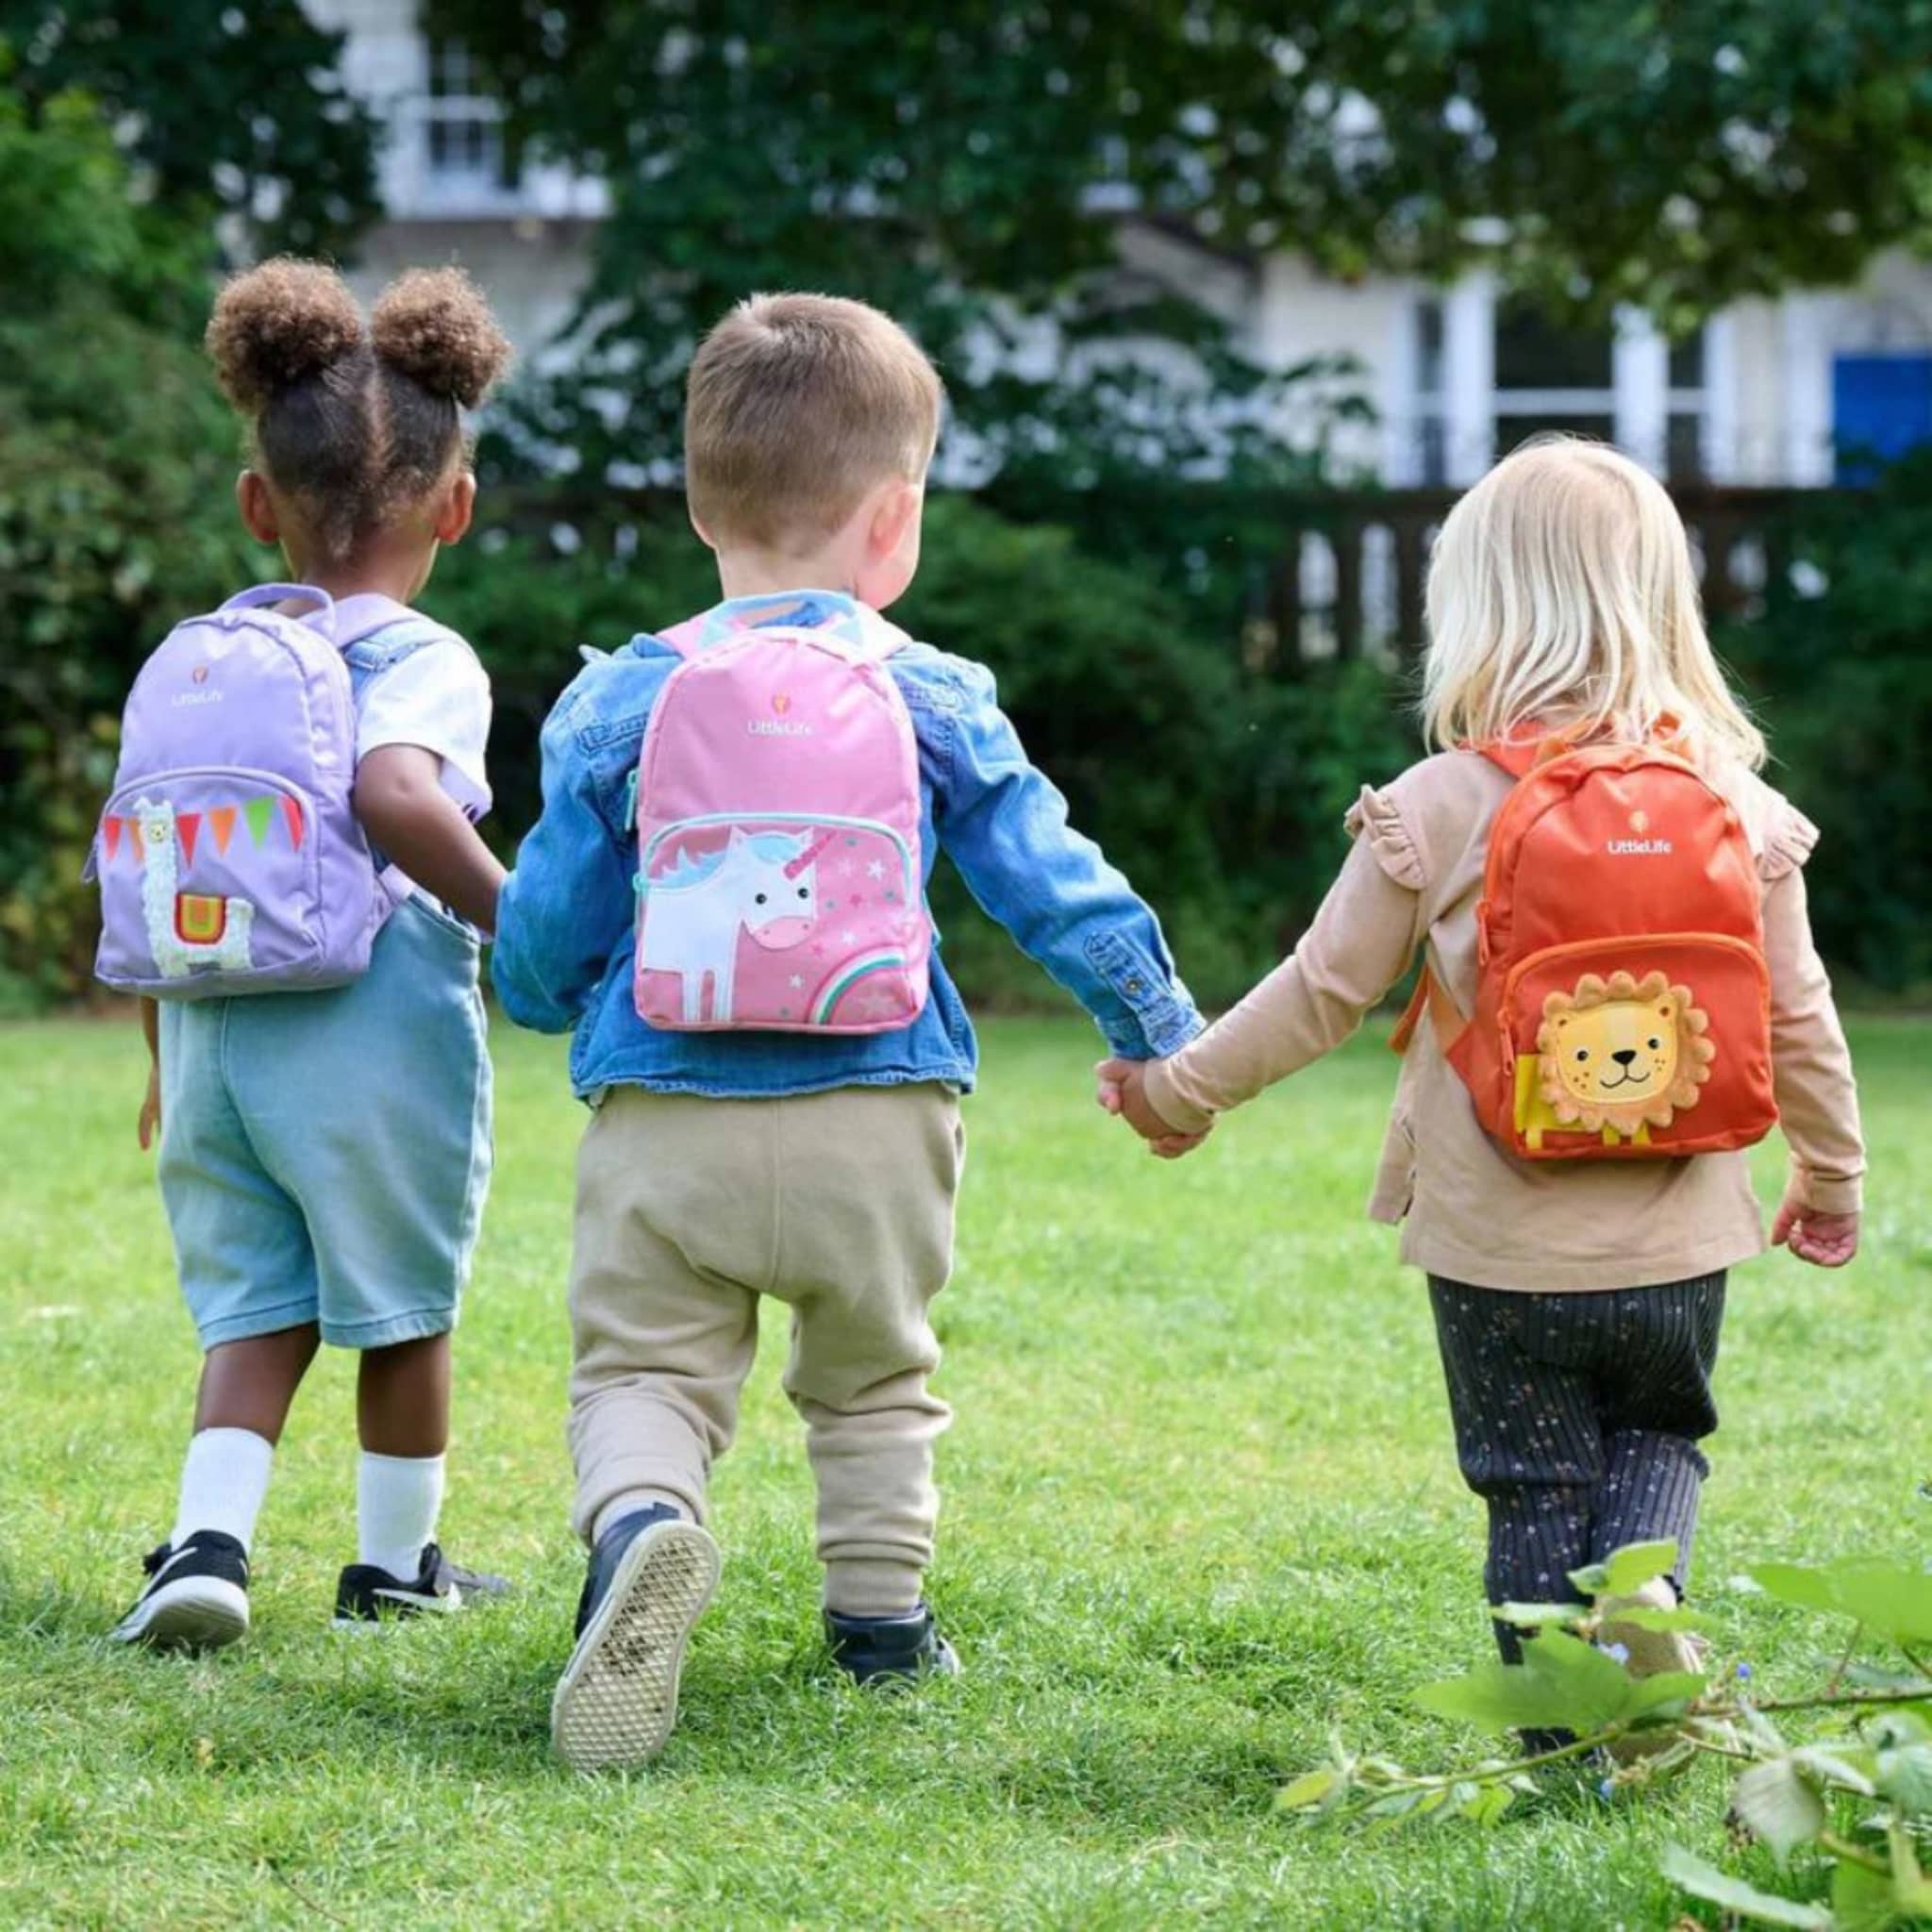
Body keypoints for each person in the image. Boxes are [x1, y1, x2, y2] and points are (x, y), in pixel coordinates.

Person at [492, 291, 1201, 1769]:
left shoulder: (622, 699)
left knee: (641, 1372)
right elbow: (1054, 882)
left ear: (702, 506)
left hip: (667, 1115)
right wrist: (1158, 1028)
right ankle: (880, 1627)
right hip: (878, 1112)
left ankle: (642, 1525)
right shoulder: (930, 691)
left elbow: (549, 929)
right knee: (876, 1373)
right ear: (897, 516)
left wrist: (541, 997)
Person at [1103, 437, 1863, 1683]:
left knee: (1533, 1485)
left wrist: (1173, 1092)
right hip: (1678, 1242)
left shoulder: (1440, 803)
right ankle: (1647, 1587)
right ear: (1662, 604)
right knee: (1659, 1438)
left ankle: (1567, 1741)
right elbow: (1800, 1017)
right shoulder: (1736, 805)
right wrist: (1831, 1178)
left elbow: (1321, 993)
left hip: (1497, 1247)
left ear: (1475, 606)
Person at [114, 260, 513, 1648]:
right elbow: (397, 797)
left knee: (252, 1311)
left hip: (210, 1040)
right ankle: (395, 1569)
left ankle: (207, 1547)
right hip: (370, 1035)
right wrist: (520, 918)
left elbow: (161, 869)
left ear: (255, 505)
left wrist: (162, 1056)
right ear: (455, 508)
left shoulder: (207, 661)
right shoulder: (425, 659)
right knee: (404, 1310)